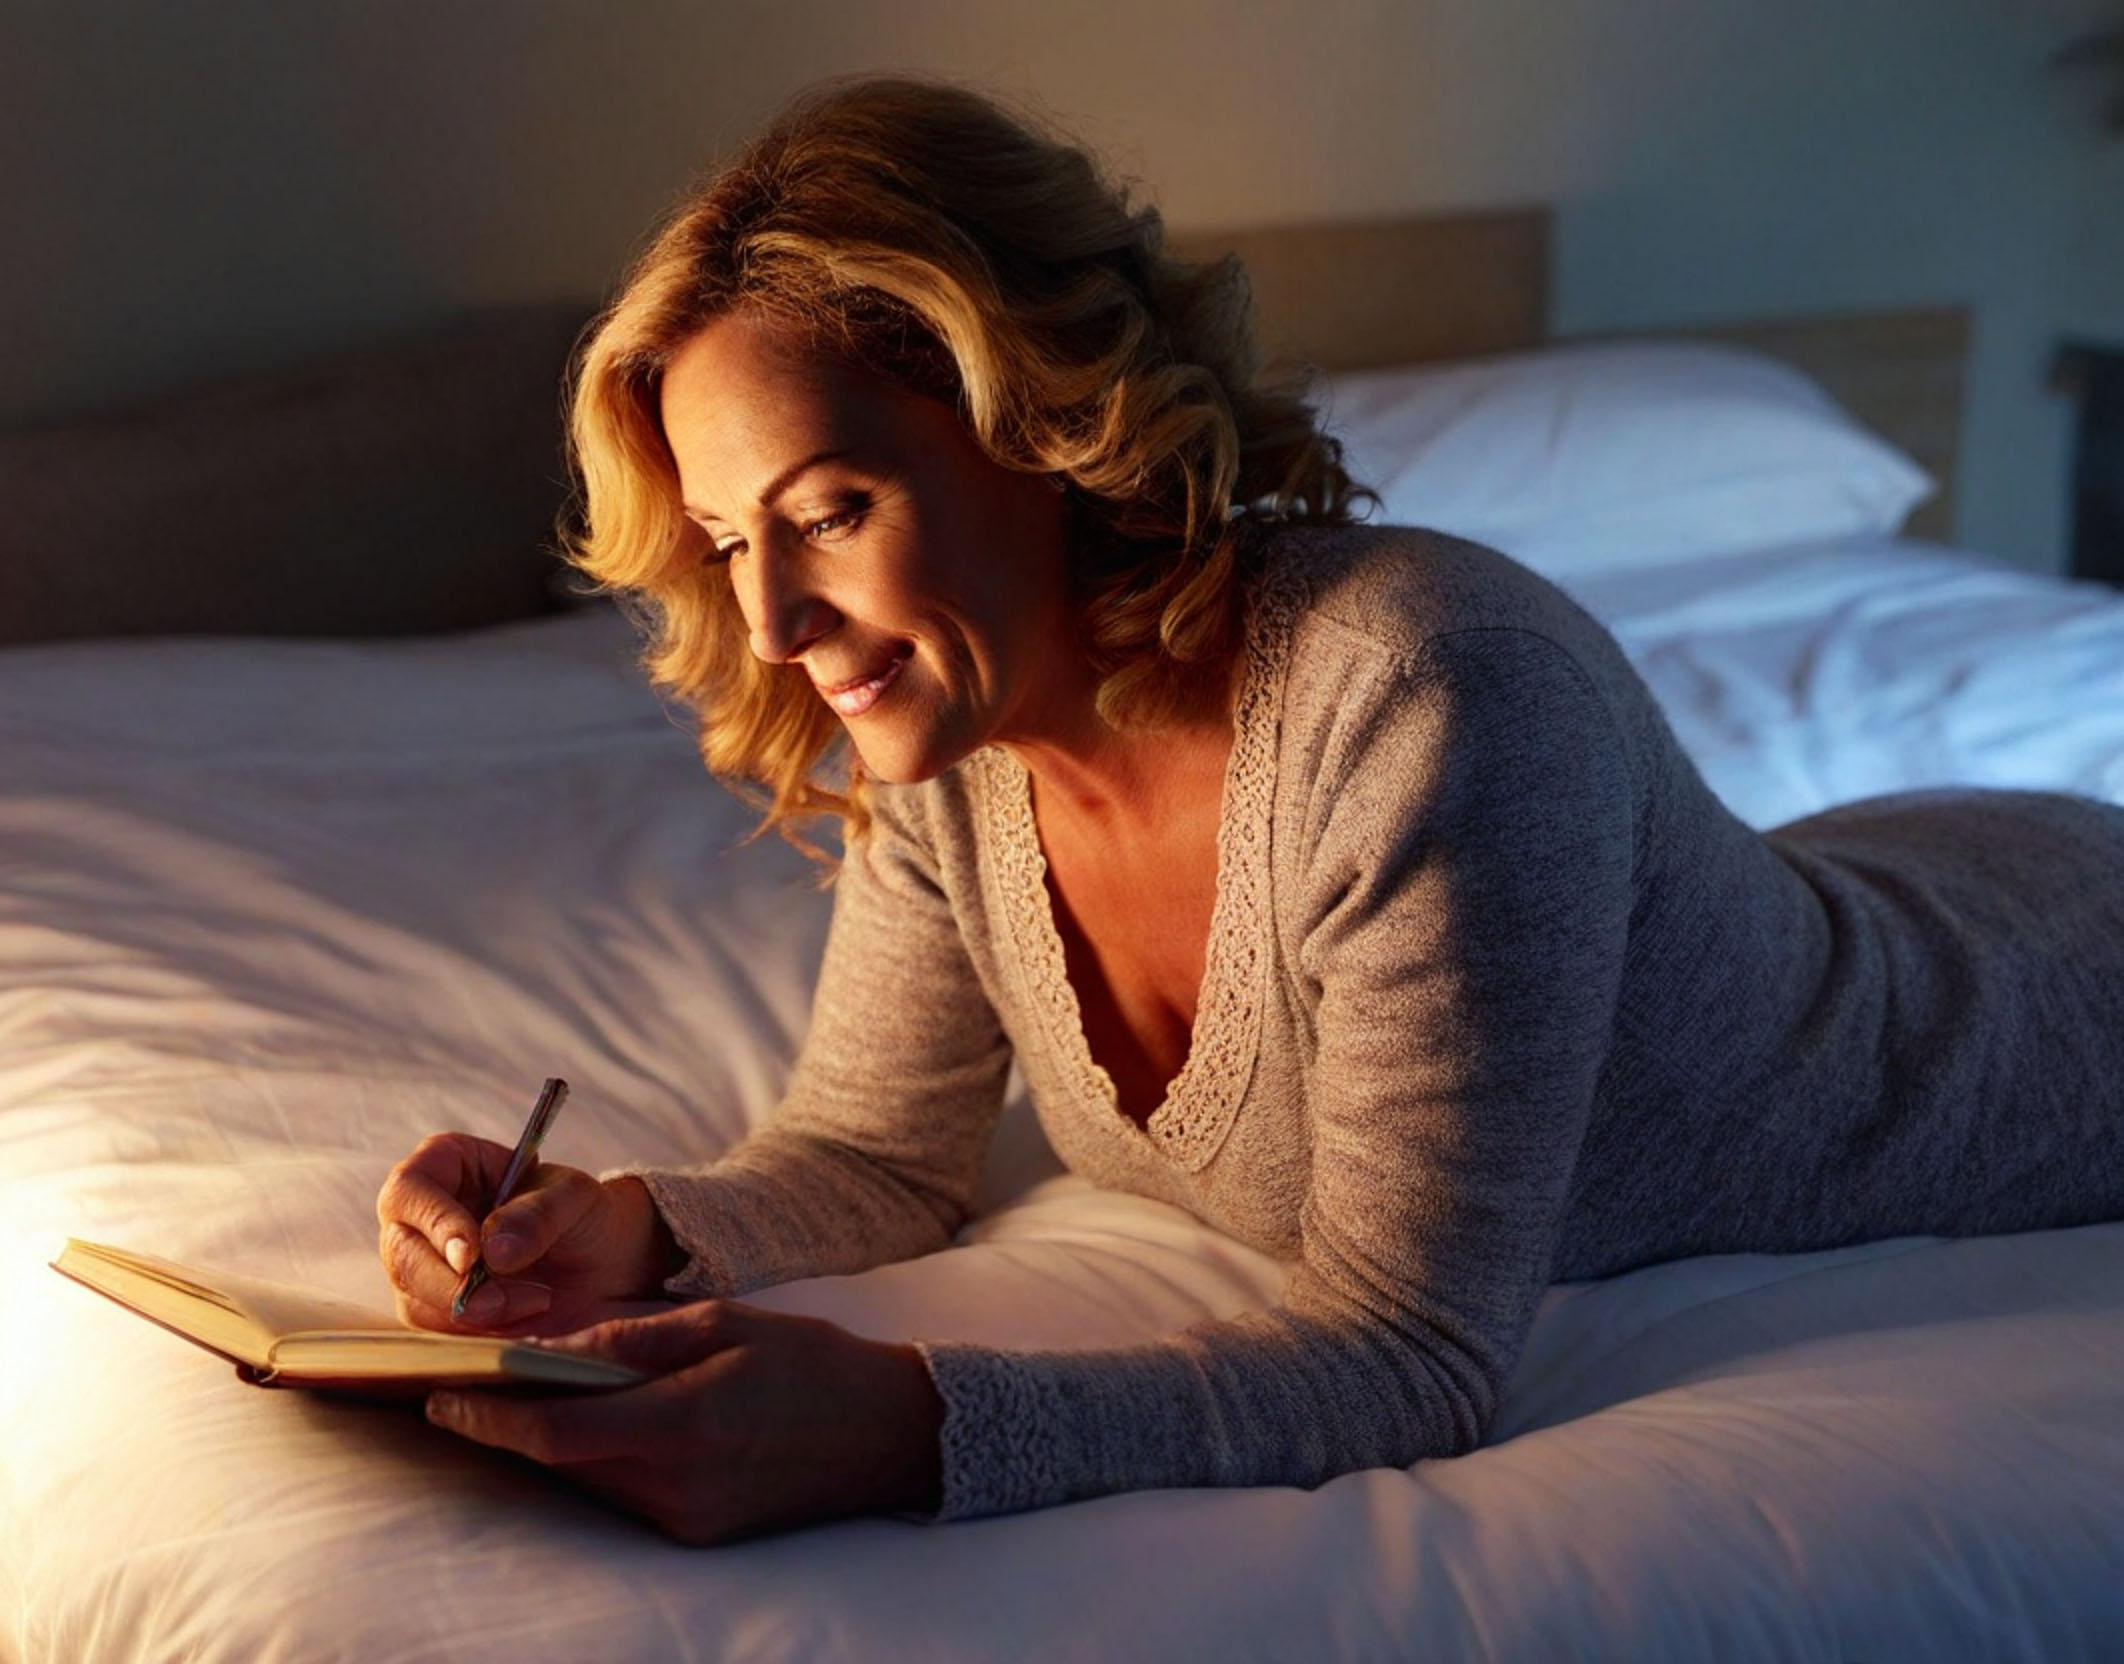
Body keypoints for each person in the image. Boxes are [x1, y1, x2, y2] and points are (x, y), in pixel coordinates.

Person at [375, 75, 2124, 1546]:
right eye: (733, 541)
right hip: (1877, 870)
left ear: (1042, 421)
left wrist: (904, 1428)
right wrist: (628, 1230)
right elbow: (870, 1157)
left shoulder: (1430, 694)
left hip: (2047, 1004)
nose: (770, 625)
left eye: (829, 509)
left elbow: (1411, 1354)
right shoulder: (954, 734)